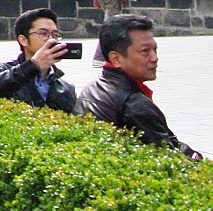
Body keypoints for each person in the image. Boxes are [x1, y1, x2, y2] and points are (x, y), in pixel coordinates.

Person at [78, 14, 201, 157]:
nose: (154, 58)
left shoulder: (92, 88)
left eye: (155, 49)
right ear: (116, 58)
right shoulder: (136, 106)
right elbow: (170, 158)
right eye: (145, 51)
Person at [0, 8, 79, 113]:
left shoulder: (65, 87)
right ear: (23, 40)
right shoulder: (0, 69)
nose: (51, 39)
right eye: (43, 33)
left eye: (55, 35)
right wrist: (33, 65)